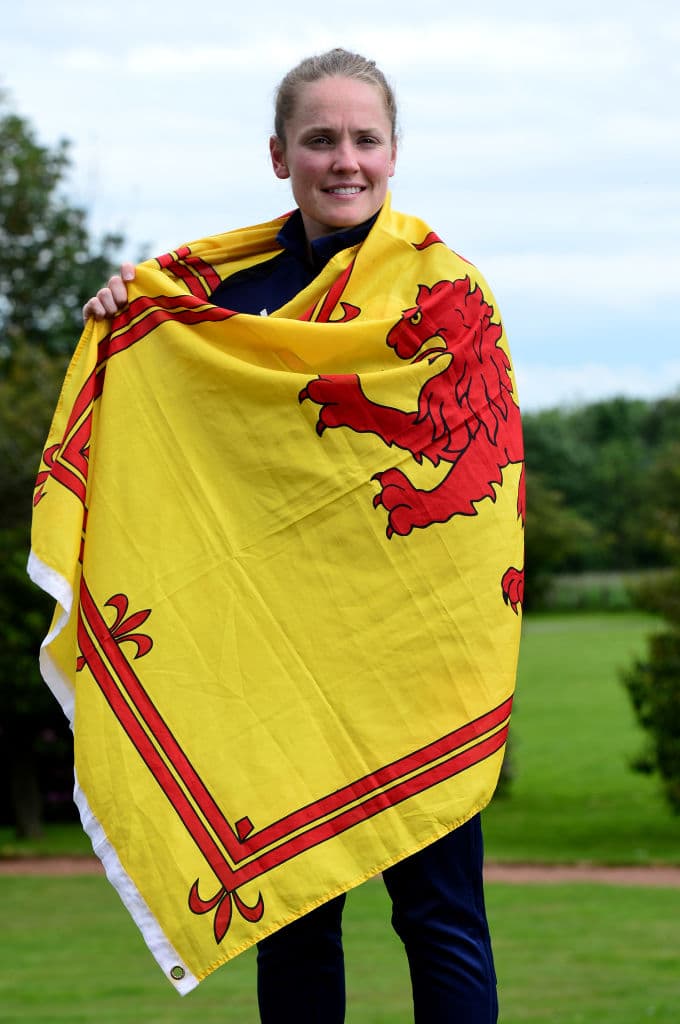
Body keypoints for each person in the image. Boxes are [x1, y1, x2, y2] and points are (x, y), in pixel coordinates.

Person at [74, 46, 521, 1024]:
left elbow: (484, 492)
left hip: (416, 660)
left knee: (439, 913)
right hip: (278, 665)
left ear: (395, 153)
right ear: (280, 156)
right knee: (296, 915)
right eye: (320, 140)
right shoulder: (216, 302)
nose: (344, 159)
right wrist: (124, 319)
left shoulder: (445, 294)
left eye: (364, 139)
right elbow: (183, 451)